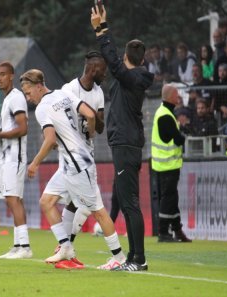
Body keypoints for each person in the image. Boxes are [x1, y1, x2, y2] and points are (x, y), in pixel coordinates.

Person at [20, 68, 126, 271]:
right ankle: (66, 247)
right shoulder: (64, 93)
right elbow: (89, 114)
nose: (28, 97)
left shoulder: (42, 108)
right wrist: (91, 132)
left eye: (28, 92)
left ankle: (119, 258)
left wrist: (34, 163)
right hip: (73, 161)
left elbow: (50, 139)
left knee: (98, 212)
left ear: (39, 86)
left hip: (77, 164)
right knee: (47, 201)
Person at [91, 4, 153, 271]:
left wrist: (102, 30)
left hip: (126, 143)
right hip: (124, 142)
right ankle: (131, 257)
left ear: (128, 57)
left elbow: (114, 64)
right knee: (126, 203)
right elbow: (116, 68)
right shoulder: (133, 77)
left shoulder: (132, 77)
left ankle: (139, 259)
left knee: (130, 204)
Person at [47, 50, 107, 251]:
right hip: (69, 154)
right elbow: (57, 117)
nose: (105, 74)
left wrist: (90, 115)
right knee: (78, 202)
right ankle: (65, 245)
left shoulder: (98, 93)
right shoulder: (69, 89)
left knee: (75, 202)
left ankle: (64, 245)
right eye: (103, 70)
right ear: (92, 69)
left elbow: (100, 127)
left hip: (87, 153)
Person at [0, 61, 31, 259]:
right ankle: (17, 245)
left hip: (15, 157)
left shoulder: (17, 98)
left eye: (3, 74)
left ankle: (25, 247)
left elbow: (23, 128)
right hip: (7, 157)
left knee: (14, 200)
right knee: (14, 200)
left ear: (11, 76)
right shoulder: (7, 99)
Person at [151, 85, 192, 243]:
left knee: (172, 198)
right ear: (169, 97)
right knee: (168, 199)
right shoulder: (165, 115)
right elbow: (176, 139)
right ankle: (163, 232)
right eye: (176, 94)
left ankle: (177, 230)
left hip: (166, 165)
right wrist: (183, 133)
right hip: (168, 165)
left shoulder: (165, 113)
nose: (178, 97)